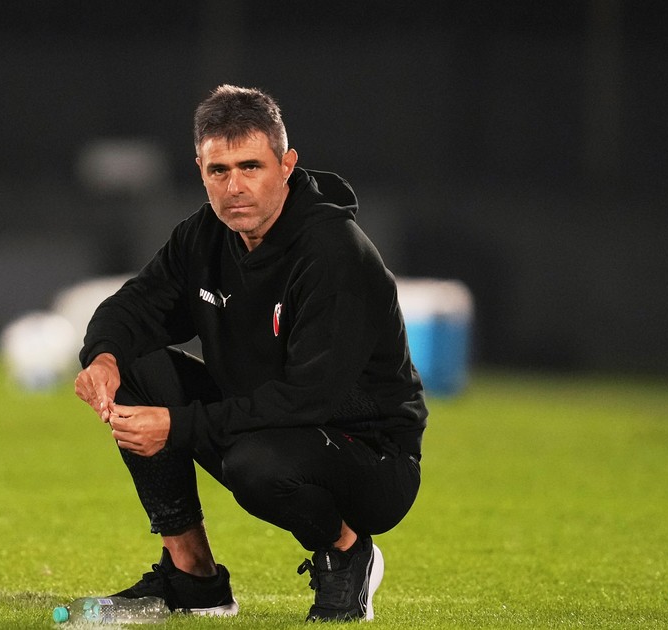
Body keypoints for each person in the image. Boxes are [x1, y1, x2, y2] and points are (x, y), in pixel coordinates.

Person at [74, 85, 427, 622]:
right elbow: (135, 306)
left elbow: (307, 399)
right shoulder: (204, 236)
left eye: (251, 167)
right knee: (134, 365)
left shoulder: (334, 253)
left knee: (257, 465)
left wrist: (177, 426)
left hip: (370, 456)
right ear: (200, 170)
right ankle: (193, 577)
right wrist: (102, 357)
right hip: (265, 422)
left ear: (286, 165)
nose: (234, 187)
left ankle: (347, 552)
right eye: (219, 170)